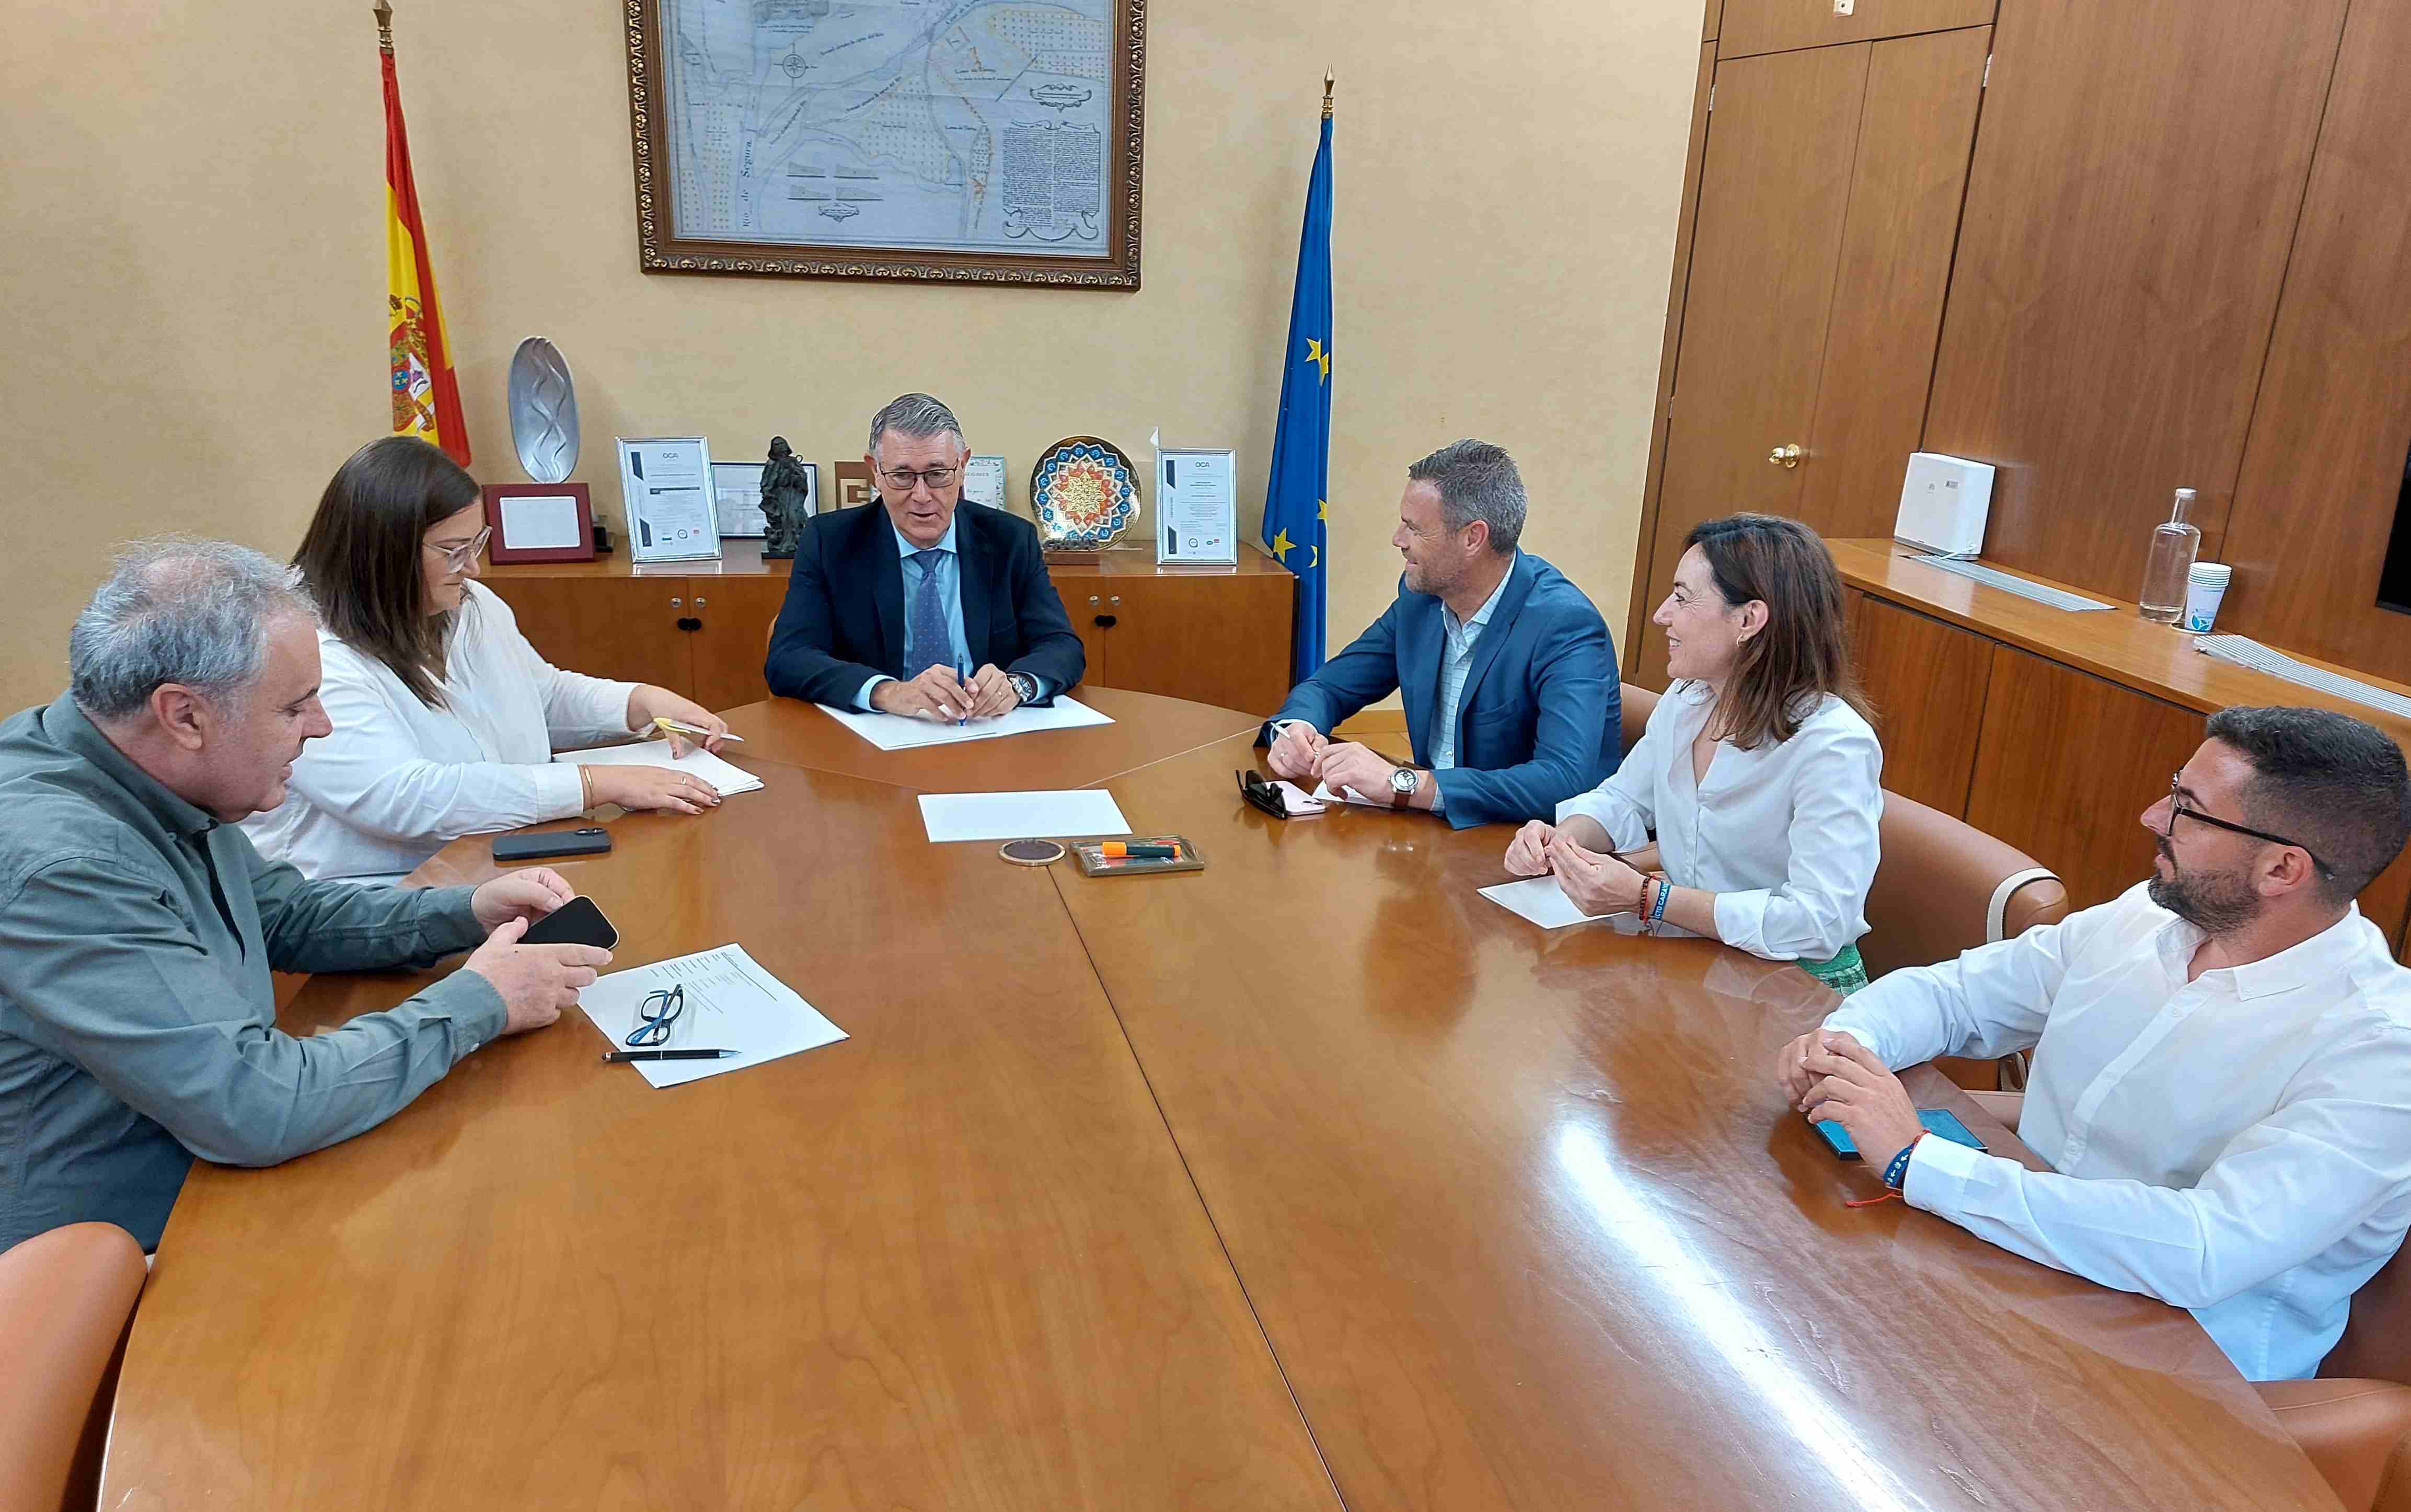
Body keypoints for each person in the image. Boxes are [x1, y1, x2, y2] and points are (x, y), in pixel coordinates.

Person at [0, 539, 613, 1253]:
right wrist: (481, 1000)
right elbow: (252, 1104)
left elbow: (282, 913)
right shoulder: (64, 866)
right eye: (295, 707)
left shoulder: (134, 764)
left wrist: (466, 910)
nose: (321, 727)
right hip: (121, 1257)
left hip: (214, 1179)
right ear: (184, 716)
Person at [1779, 707, 2411, 1382]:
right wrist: (1846, 1042)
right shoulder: (2151, 915)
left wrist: (1920, 1162)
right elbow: (1961, 995)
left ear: (2282, 870)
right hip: (2004, 1263)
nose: (2151, 817)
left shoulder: (2380, 1051)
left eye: (2186, 810)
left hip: (2173, 1379)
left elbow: (2199, 1247)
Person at [240, 437, 731, 882]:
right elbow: (405, 798)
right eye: (453, 551)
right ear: (382, 553)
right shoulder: (308, 651)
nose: (471, 567)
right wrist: (595, 783)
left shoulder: (468, 604)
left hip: (492, 860)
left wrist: (640, 702)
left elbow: (543, 695)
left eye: (476, 543)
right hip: (367, 892)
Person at [1505, 514, 1881, 991]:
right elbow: (1623, 799)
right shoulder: (1689, 699)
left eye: (1682, 599)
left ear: (1748, 620)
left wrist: (1651, 898)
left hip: (1794, 988)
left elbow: (1817, 922)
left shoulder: (1833, 745)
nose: (1662, 614)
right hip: (1695, 958)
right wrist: (1562, 841)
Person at [1260, 440, 1618, 829]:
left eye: (1414, 528)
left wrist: (1405, 783)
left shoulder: (1564, 626)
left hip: (1520, 844)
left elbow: (1564, 782)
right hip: (1429, 834)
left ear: (1472, 538)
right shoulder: (1422, 601)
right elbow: (1329, 687)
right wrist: (1298, 728)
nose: (1398, 539)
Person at [764, 393, 1083, 719]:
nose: (922, 496)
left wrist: (1017, 686)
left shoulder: (1010, 540)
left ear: (963, 466)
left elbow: (1062, 646)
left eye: (937, 474)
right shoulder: (830, 541)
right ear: (875, 471)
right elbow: (788, 658)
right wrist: (888, 692)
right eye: (902, 476)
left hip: (987, 734)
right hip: (875, 739)